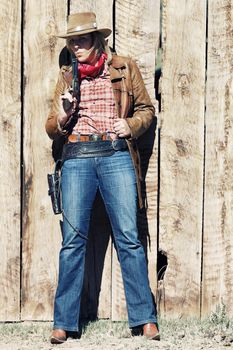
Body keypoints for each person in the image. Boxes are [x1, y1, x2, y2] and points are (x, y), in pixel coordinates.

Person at [45, 12, 160, 344]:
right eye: (72, 42)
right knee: (72, 242)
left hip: (115, 155)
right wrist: (64, 115)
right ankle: (63, 323)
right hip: (78, 158)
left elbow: (146, 111)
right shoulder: (68, 77)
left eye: (82, 40)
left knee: (129, 237)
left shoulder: (123, 68)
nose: (77, 46)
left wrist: (131, 126)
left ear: (97, 40)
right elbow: (51, 127)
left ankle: (145, 319)